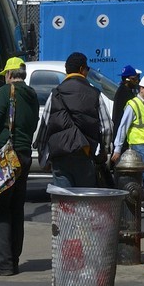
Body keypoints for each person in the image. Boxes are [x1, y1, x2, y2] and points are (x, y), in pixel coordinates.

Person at [0, 56, 40, 277]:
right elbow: (33, 123)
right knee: (16, 208)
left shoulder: (6, 92)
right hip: (23, 156)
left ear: (9, 74)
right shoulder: (32, 95)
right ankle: (12, 259)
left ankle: (2, 262)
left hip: (6, 157)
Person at [40, 51, 112, 189]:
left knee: (64, 202)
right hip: (83, 153)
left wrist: (44, 155)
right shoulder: (94, 94)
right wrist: (104, 149)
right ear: (81, 70)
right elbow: (107, 127)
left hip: (60, 154)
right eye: (87, 69)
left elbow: (45, 124)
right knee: (84, 202)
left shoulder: (55, 93)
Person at [112, 64, 141, 132]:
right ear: (127, 79)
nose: (137, 81)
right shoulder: (124, 93)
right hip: (122, 133)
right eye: (134, 79)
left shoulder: (126, 91)